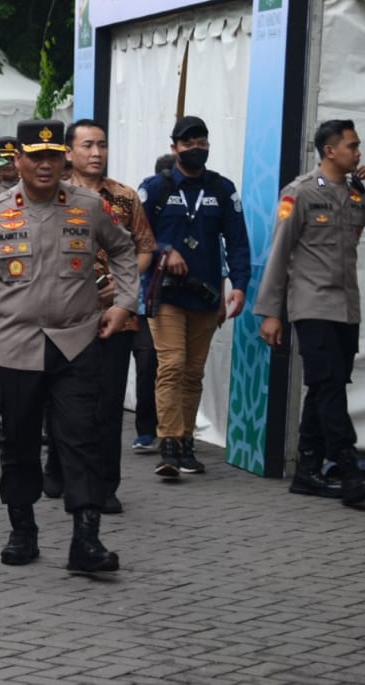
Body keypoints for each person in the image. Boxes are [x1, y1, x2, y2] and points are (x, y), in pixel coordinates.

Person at [0, 119, 138, 573]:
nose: (46, 165)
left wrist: (125, 303)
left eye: (54, 156)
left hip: (76, 343)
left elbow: (126, 251)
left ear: (65, 159)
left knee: (81, 440)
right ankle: (23, 529)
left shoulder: (90, 206)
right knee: (19, 444)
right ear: (19, 161)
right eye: (36, 157)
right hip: (15, 347)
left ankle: (86, 539)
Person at [254, 119, 365, 506]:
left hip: (346, 310)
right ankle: (349, 469)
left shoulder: (356, 194)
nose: (359, 153)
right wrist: (271, 313)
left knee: (325, 387)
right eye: (352, 146)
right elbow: (279, 254)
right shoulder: (300, 193)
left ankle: (306, 471)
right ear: (330, 151)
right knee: (330, 387)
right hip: (312, 306)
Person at [45, 120, 157, 514]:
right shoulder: (53, 196)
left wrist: (121, 285)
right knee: (65, 399)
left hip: (115, 316)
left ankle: (105, 484)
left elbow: (145, 248)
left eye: (102, 145)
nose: (96, 152)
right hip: (63, 317)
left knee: (107, 406)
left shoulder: (125, 197)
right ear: (69, 153)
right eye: (88, 145)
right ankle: (58, 463)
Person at [139, 116, 250, 478]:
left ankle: (186, 442)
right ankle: (168, 442)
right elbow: (134, 237)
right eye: (188, 143)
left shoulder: (221, 189)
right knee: (171, 364)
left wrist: (240, 285)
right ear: (174, 148)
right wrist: (164, 251)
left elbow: (237, 241)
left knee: (192, 372)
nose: (196, 148)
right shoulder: (155, 188)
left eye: (201, 141)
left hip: (205, 296)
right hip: (165, 294)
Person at [130, 153, 174, 454]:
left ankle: (172, 430)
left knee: (173, 368)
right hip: (145, 304)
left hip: (176, 303)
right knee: (147, 365)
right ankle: (146, 430)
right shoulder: (141, 213)